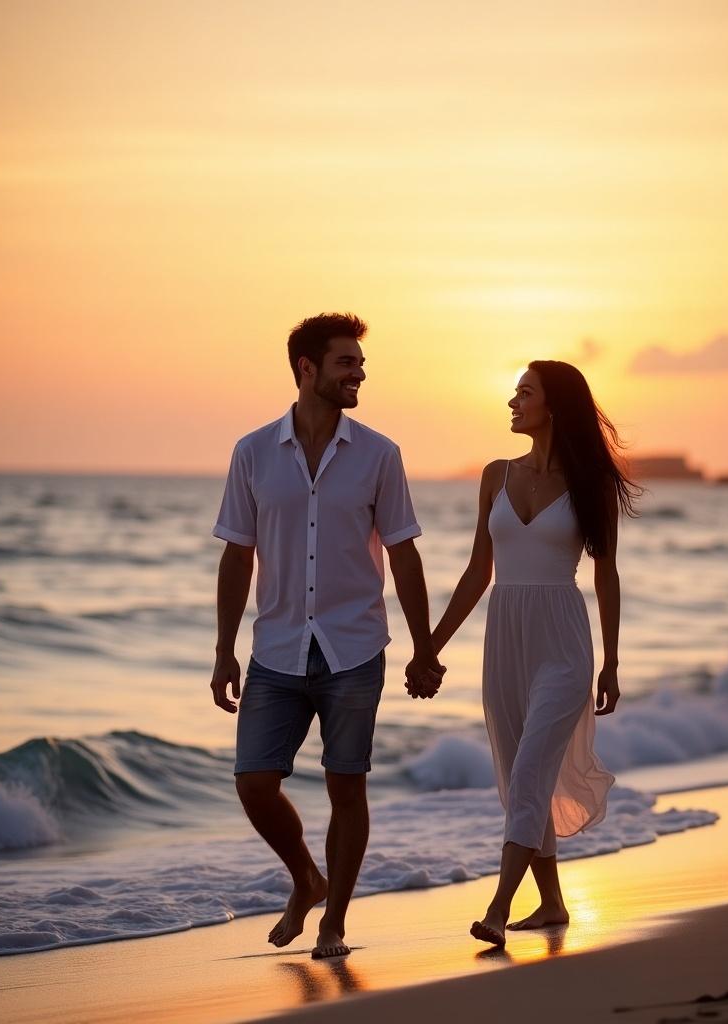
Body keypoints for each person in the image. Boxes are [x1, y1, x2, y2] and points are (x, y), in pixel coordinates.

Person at [210, 312, 444, 960]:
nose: (359, 373)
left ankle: (334, 921)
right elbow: (236, 556)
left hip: (354, 646)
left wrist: (425, 648)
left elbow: (404, 555)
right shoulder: (253, 452)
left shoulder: (379, 454)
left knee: (348, 785)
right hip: (276, 647)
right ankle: (305, 878)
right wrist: (225, 648)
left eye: (361, 364)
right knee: (254, 782)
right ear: (306, 368)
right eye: (347, 362)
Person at [420, 359, 638, 946]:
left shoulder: (591, 484)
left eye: (524, 393)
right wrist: (429, 649)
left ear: (553, 406)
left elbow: (607, 575)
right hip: (504, 639)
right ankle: (552, 904)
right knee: (523, 776)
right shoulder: (494, 474)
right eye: (514, 392)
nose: (512, 402)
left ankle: (496, 909)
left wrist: (612, 662)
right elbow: (476, 572)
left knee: (528, 774)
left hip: (563, 641)